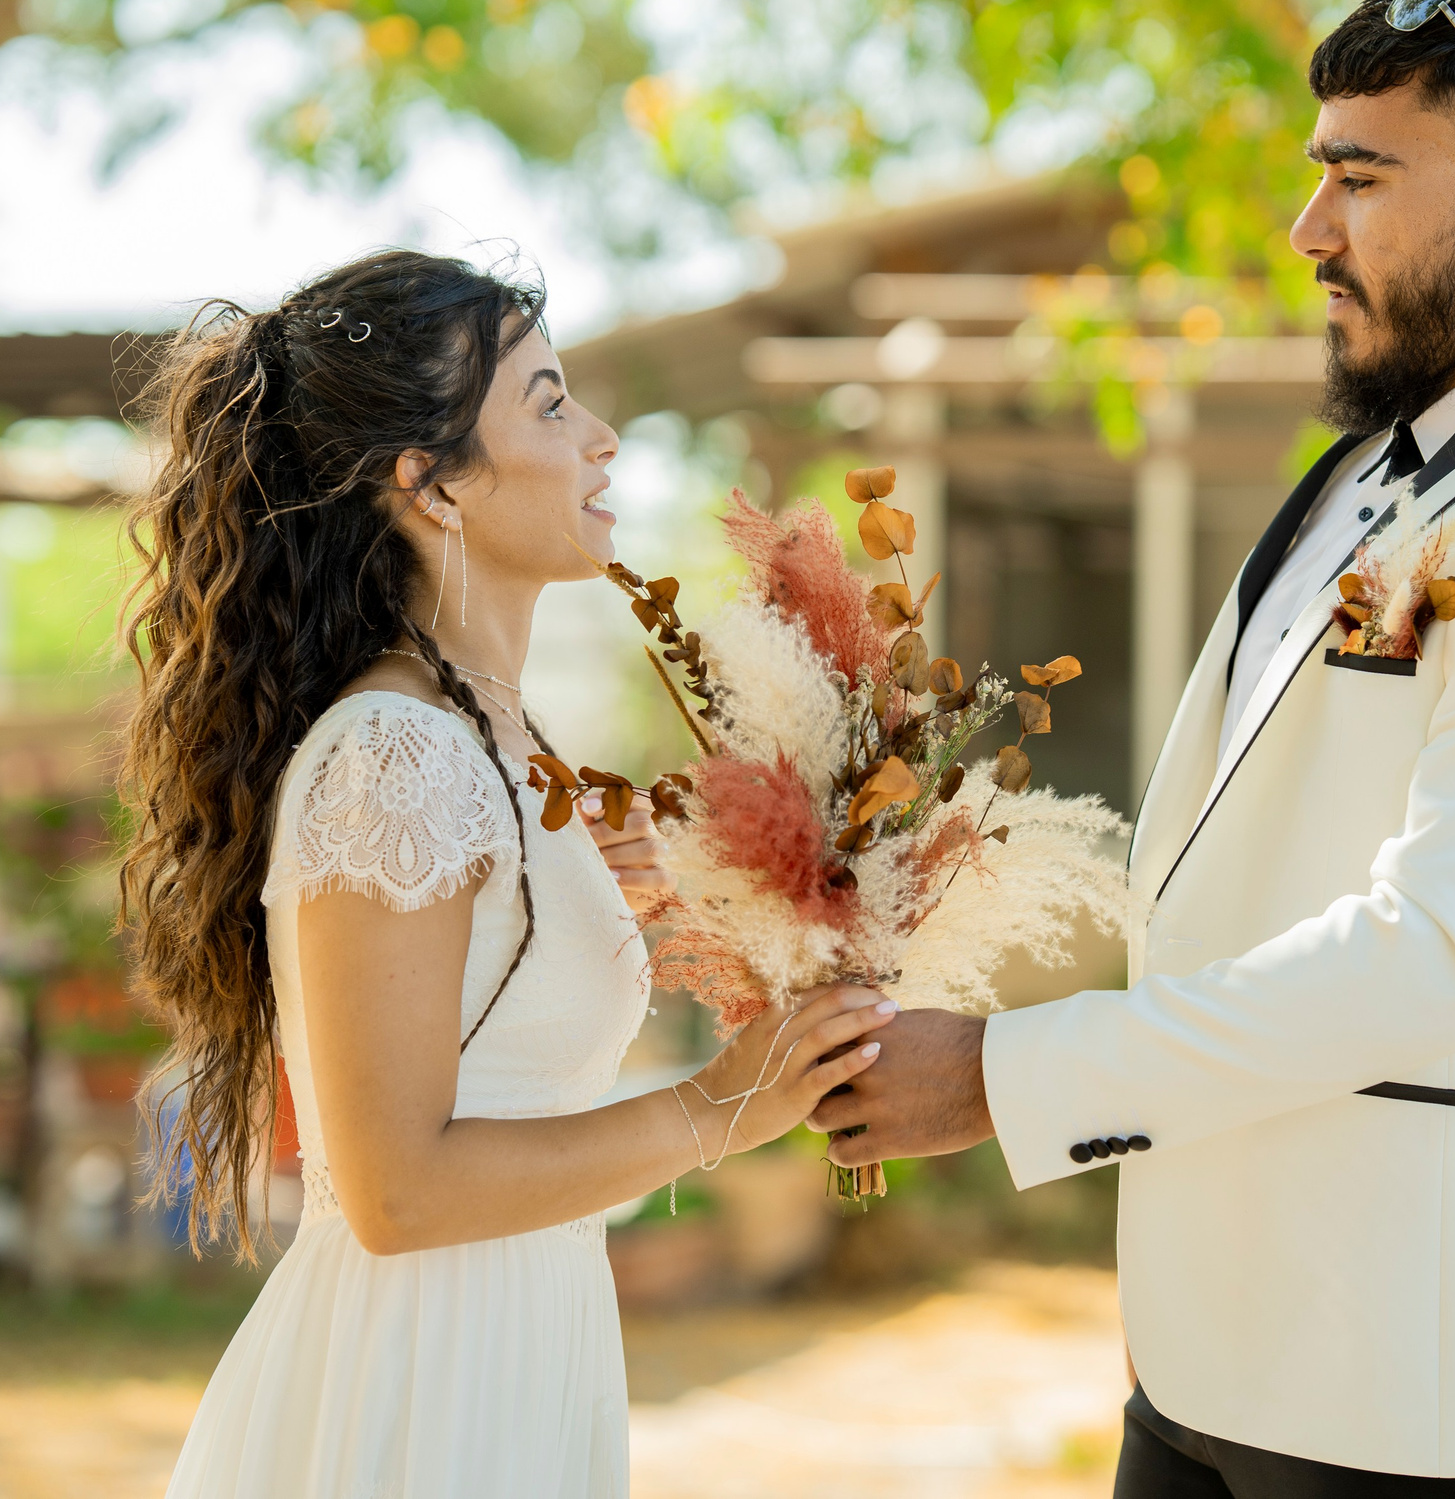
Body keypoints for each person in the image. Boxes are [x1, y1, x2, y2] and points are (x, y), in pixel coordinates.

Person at [815, 0, 1455, 1496]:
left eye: (1360, 178)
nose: (1309, 230)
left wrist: (1005, 1075)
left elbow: (1440, 949)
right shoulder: (1375, 466)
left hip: (1424, 1387)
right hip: (1211, 1347)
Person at [120, 250, 892, 1498]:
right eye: (545, 403)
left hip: (519, 1354)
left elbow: (480, 1024)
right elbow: (397, 1191)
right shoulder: (392, 753)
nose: (600, 438)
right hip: (421, 1393)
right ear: (429, 485)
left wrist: (603, 912)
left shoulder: (493, 740)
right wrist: (717, 1107)